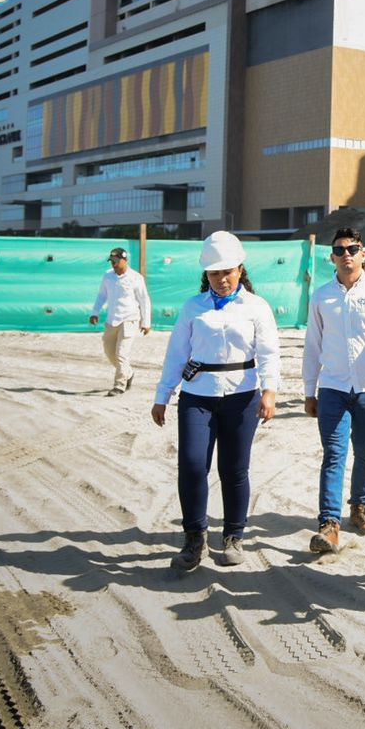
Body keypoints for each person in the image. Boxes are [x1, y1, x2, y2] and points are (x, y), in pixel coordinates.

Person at [153, 231, 279, 571]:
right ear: (205, 275)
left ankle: (233, 536)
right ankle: (195, 538)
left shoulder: (257, 307)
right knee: (193, 465)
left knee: (234, 469)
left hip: (241, 397)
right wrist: (162, 396)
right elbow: (176, 354)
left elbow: (268, 353)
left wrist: (269, 390)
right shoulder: (192, 308)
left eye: (227, 272)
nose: (221, 279)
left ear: (240, 269)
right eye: (213, 273)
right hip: (198, 396)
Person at [302, 226, 365, 555]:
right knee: (333, 455)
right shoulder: (322, 295)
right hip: (332, 388)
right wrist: (309, 390)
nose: (347, 255)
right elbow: (312, 346)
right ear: (332, 256)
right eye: (340, 250)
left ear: (363, 252)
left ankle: (359, 508)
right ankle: (329, 524)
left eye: (353, 249)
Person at [89, 246, 152, 395]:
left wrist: (146, 322)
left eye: (116, 261)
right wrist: (95, 312)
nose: (114, 264)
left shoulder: (136, 278)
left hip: (130, 319)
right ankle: (128, 373)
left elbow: (144, 300)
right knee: (110, 352)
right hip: (112, 320)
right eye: (112, 261)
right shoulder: (108, 276)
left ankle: (119, 385)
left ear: (125, 260)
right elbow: (101, 296)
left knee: (121, 354)